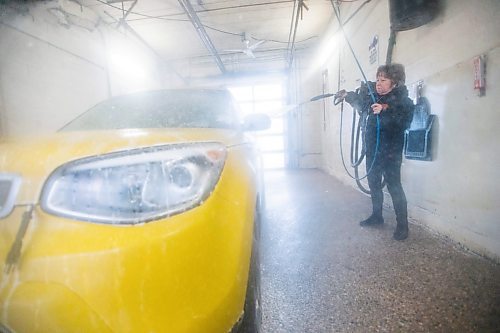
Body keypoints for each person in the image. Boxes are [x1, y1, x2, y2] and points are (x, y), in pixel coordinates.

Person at [337, 63, 414, 240]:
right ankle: (377, 216)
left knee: (394, 186)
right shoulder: (372, 97)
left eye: (384, 80)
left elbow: (404, 121)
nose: (378, 83)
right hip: (372, 150)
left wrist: (386, 110)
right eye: (378, 79)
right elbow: (359, 102)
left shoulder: (403, 101)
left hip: (391, 152)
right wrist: (347, 96)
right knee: (373, 183)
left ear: (394, 82)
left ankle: (403, 226)